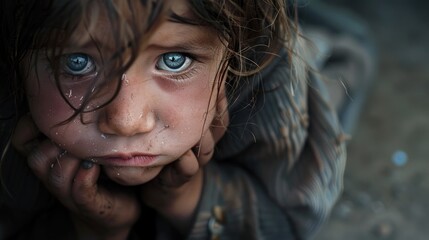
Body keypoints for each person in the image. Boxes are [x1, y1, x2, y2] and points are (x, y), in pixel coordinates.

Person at [0, 0, 353, 239]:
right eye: (77, 62)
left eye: (174, 60)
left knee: (343, 61)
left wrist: (188, 198)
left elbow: (291, 223)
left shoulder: (265, 65)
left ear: (233, 53)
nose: (127, 121)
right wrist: (98, 230)